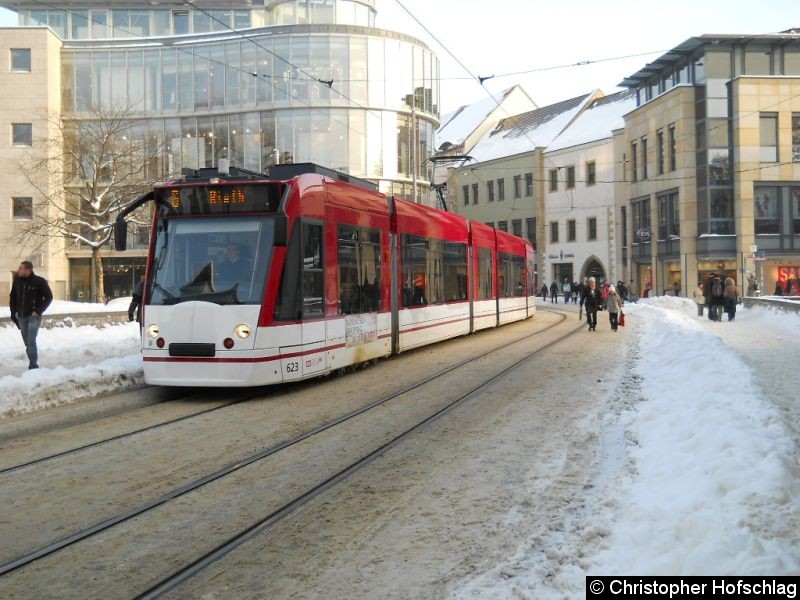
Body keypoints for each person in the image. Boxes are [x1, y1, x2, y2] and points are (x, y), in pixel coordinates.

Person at [9, 261, 53, 370]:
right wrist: (14, 312)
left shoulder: (40, 281)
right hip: (21, 316)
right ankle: (32, 361)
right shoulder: (17, 281)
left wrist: (38, 311)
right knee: (26, 341)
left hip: (34, 316)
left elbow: (49, 297)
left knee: (30, 340)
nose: (19, 270)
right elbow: (12, 297)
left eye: (21, 268)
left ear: (28, 270)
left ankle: (33, 364)